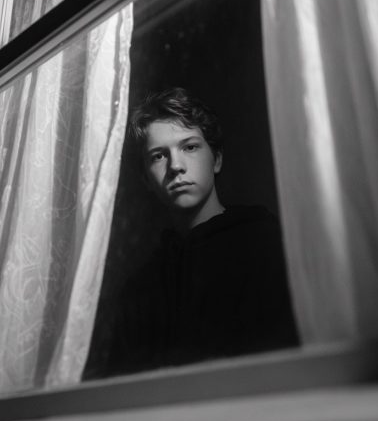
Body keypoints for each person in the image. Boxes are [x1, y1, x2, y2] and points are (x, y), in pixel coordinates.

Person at [86, 88, 299, 377]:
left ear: (217, 159)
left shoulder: (266, 245)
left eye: (189, 147)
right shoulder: (140, 288)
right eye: (159, 155)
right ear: (146, 179)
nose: (176, 166)